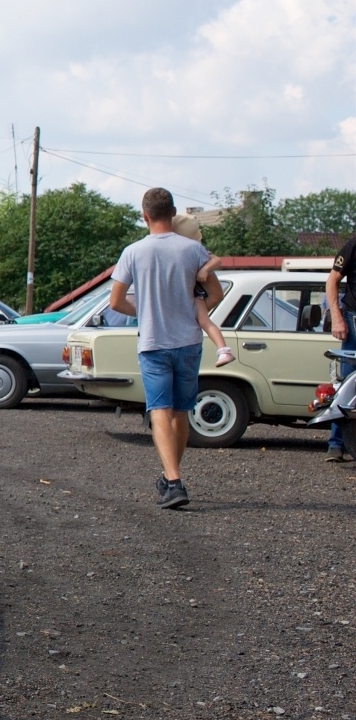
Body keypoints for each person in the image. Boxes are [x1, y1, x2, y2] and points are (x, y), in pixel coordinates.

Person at [107, 188, 222, 509]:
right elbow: (216, 294)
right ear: (172, 212)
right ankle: (171, 475)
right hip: (188, 342)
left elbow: (115, 302)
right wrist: (193, 311)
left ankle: (173, 481)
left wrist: (143, 311)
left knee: (159, 409)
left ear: (145, 216)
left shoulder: (133, 252)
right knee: (182, 410)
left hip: (153, 342)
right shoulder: (193, 249)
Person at [171, 213, 234, 367]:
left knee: (204, 321)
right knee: (203, 320)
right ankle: (223, 350)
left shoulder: (196, 250)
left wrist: (205, 269)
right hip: (190, 293)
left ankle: (223, 350)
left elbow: (216, 260)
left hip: (194, 292)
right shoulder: (188, 250)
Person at [325, 230, 356, 462]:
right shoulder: (354, 245)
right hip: (354, 319)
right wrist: (337, 318)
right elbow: (332, 281)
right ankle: (336, 443)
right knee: (347, 382)